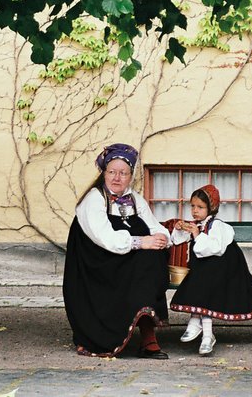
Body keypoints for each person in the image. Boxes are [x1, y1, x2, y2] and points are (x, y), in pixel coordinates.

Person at [62, 143, 171, 359]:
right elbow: (107, 239)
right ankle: (122, 335)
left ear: (130, 176)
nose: (117, 178)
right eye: (112, 172)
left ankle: (148, 336)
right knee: (145, 261)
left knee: (152, 258)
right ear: (104, 173)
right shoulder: (94, 199)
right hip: (98, 267)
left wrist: (161, 238)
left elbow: (153, 225)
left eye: (123, 173)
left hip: (126, 262)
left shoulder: (134, 199)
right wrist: (141, 242)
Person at [169, 184, 252, 355]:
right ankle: (205, 332)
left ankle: (199, 325)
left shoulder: (219, 226)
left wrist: (197, 235)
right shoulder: (197, 224)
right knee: (201, 278)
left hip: (227, 270)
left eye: (200, 207)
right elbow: (176, 241)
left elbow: (214, 249)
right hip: (207, 272)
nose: (195, 211)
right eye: (192, 206)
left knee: (203, 279)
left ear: (211, 208)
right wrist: (179, 230)